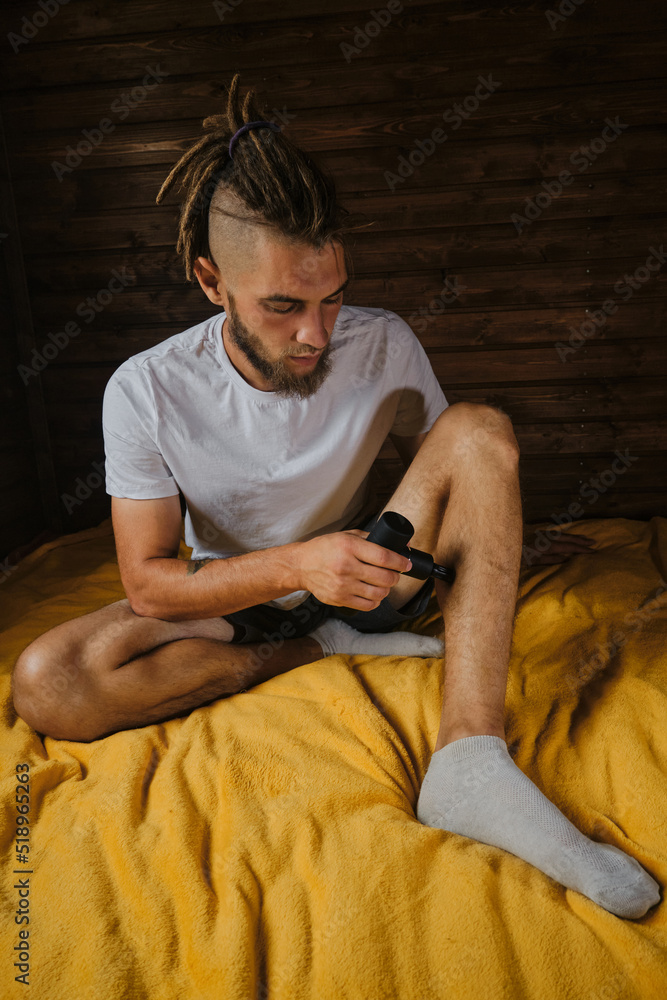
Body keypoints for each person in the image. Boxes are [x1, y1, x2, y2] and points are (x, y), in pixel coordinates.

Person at [11, 74, 659, 920]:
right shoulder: (144, 390)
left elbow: (456, 469)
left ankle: (467, 763)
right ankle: (320, 648)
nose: (315, 333)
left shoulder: (381, 340)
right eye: (282, 306)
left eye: (331, 296)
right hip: (242, 591)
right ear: (212, 282)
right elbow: (148, 583)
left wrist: (509, 544)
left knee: (478, 424)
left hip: (373, 572)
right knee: (46, 683)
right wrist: (296, 568)